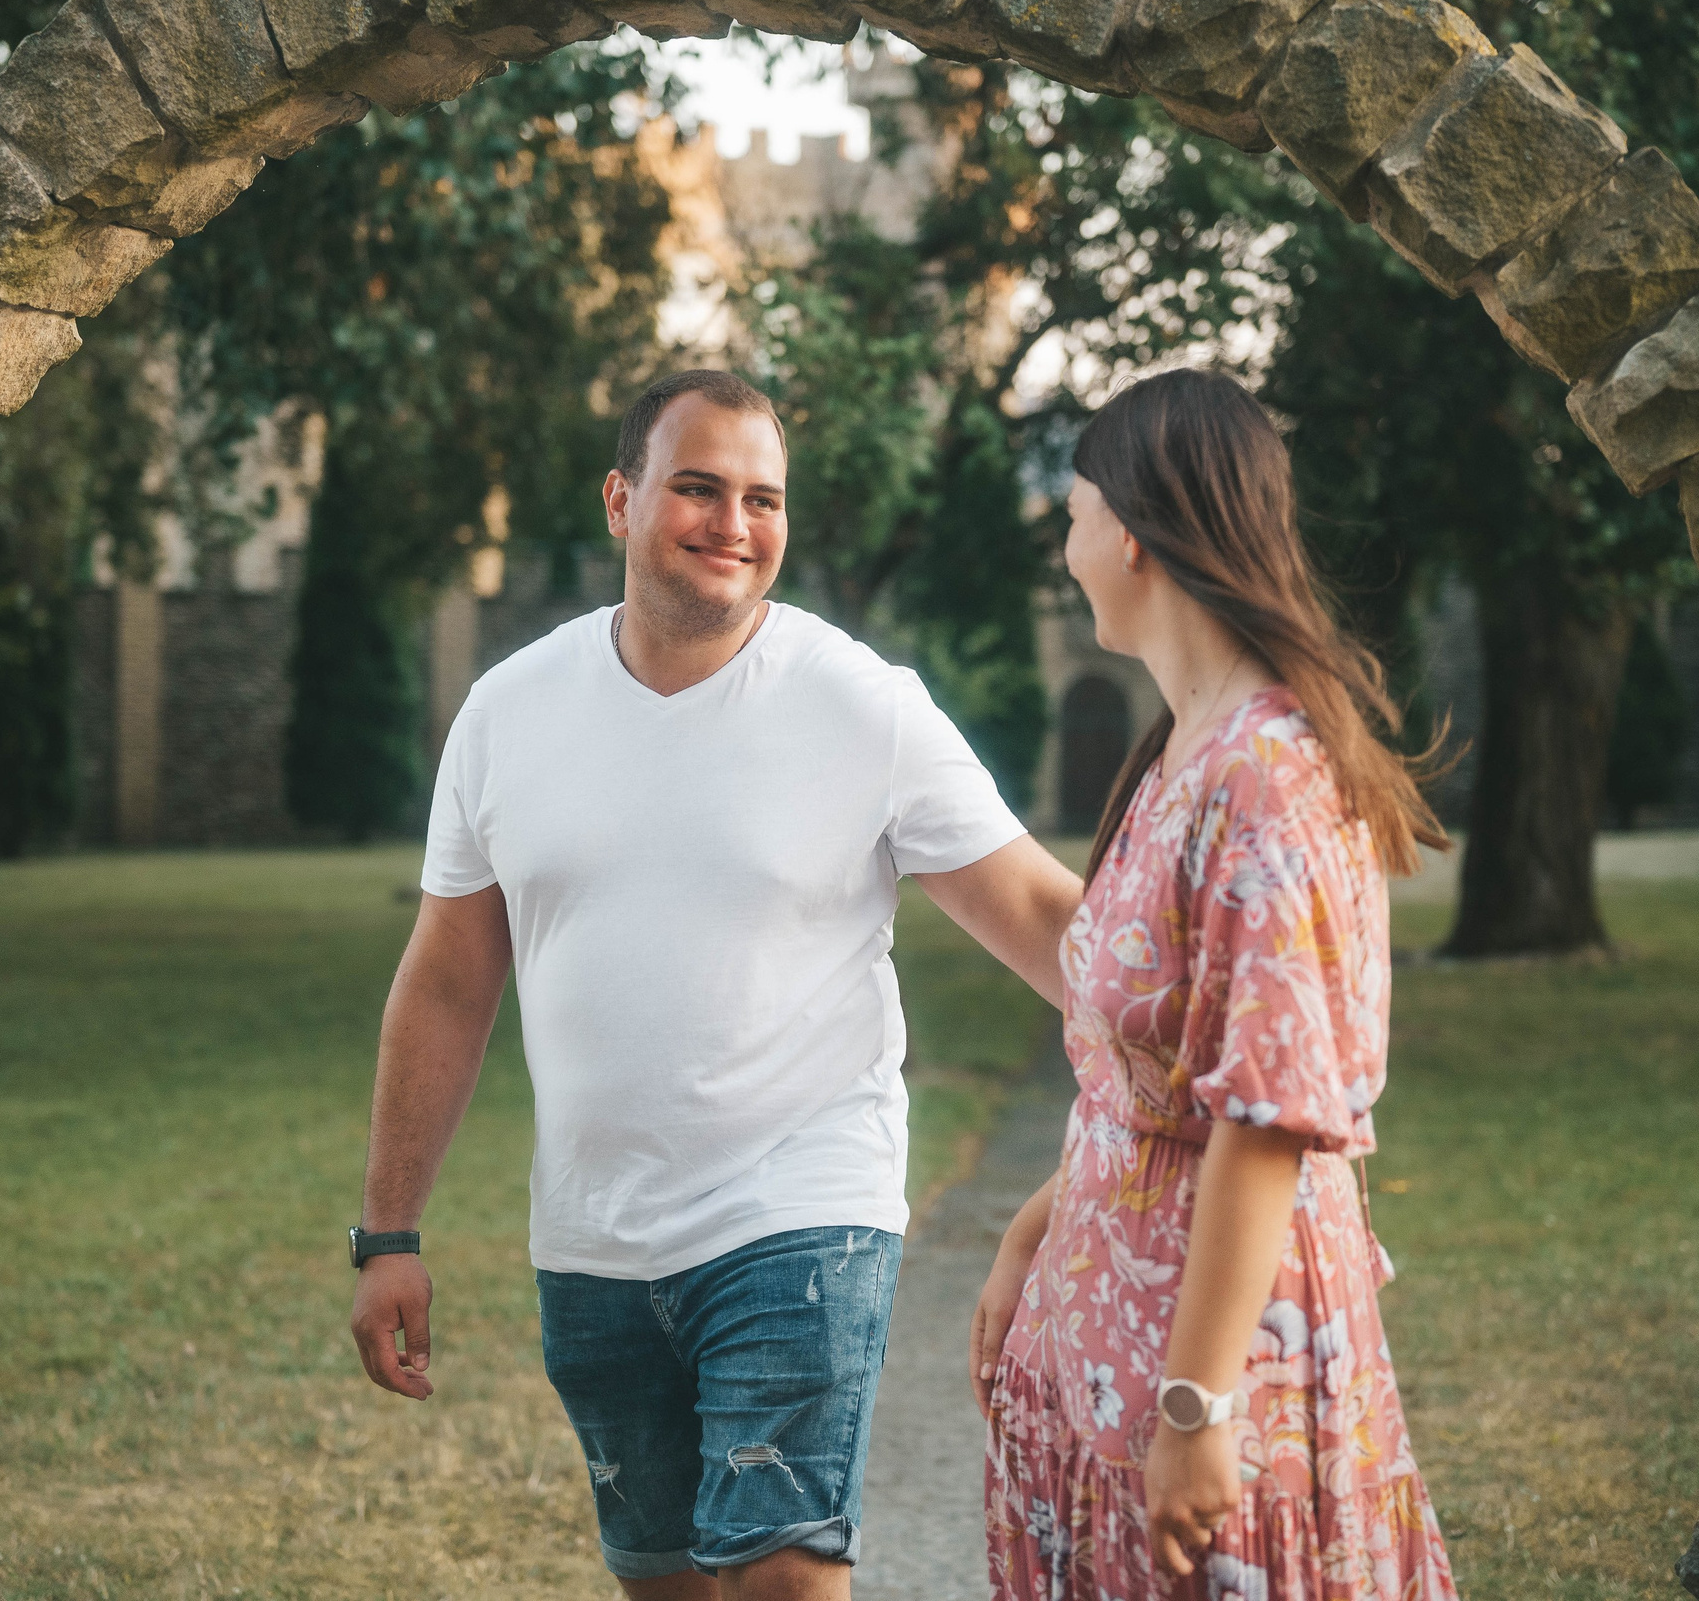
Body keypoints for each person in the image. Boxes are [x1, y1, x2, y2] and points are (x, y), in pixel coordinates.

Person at [350, 369, 1085, 1600]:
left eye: (763, 497)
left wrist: (1217, 1019)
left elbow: (1043, 915)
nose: (733, 524)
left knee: (785, 1574)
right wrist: (388, 1232)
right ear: (621, 498)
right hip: (591, 1236)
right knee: (667, 1583)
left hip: (802, 1212)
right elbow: (446, 980)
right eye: (698, 487)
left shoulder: (863, 706)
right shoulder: (506, 711)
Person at [972, 369, 1458, 1600]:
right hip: (1109, 1336)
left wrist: (1196, 1406)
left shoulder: (1269, 776)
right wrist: (1044, 1222)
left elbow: (1265, 1118)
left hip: (1222, 1365)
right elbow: (1157, 1074)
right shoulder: (1178, 749)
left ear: (1128, 530)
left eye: (1072, 508)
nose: (1064, 539)